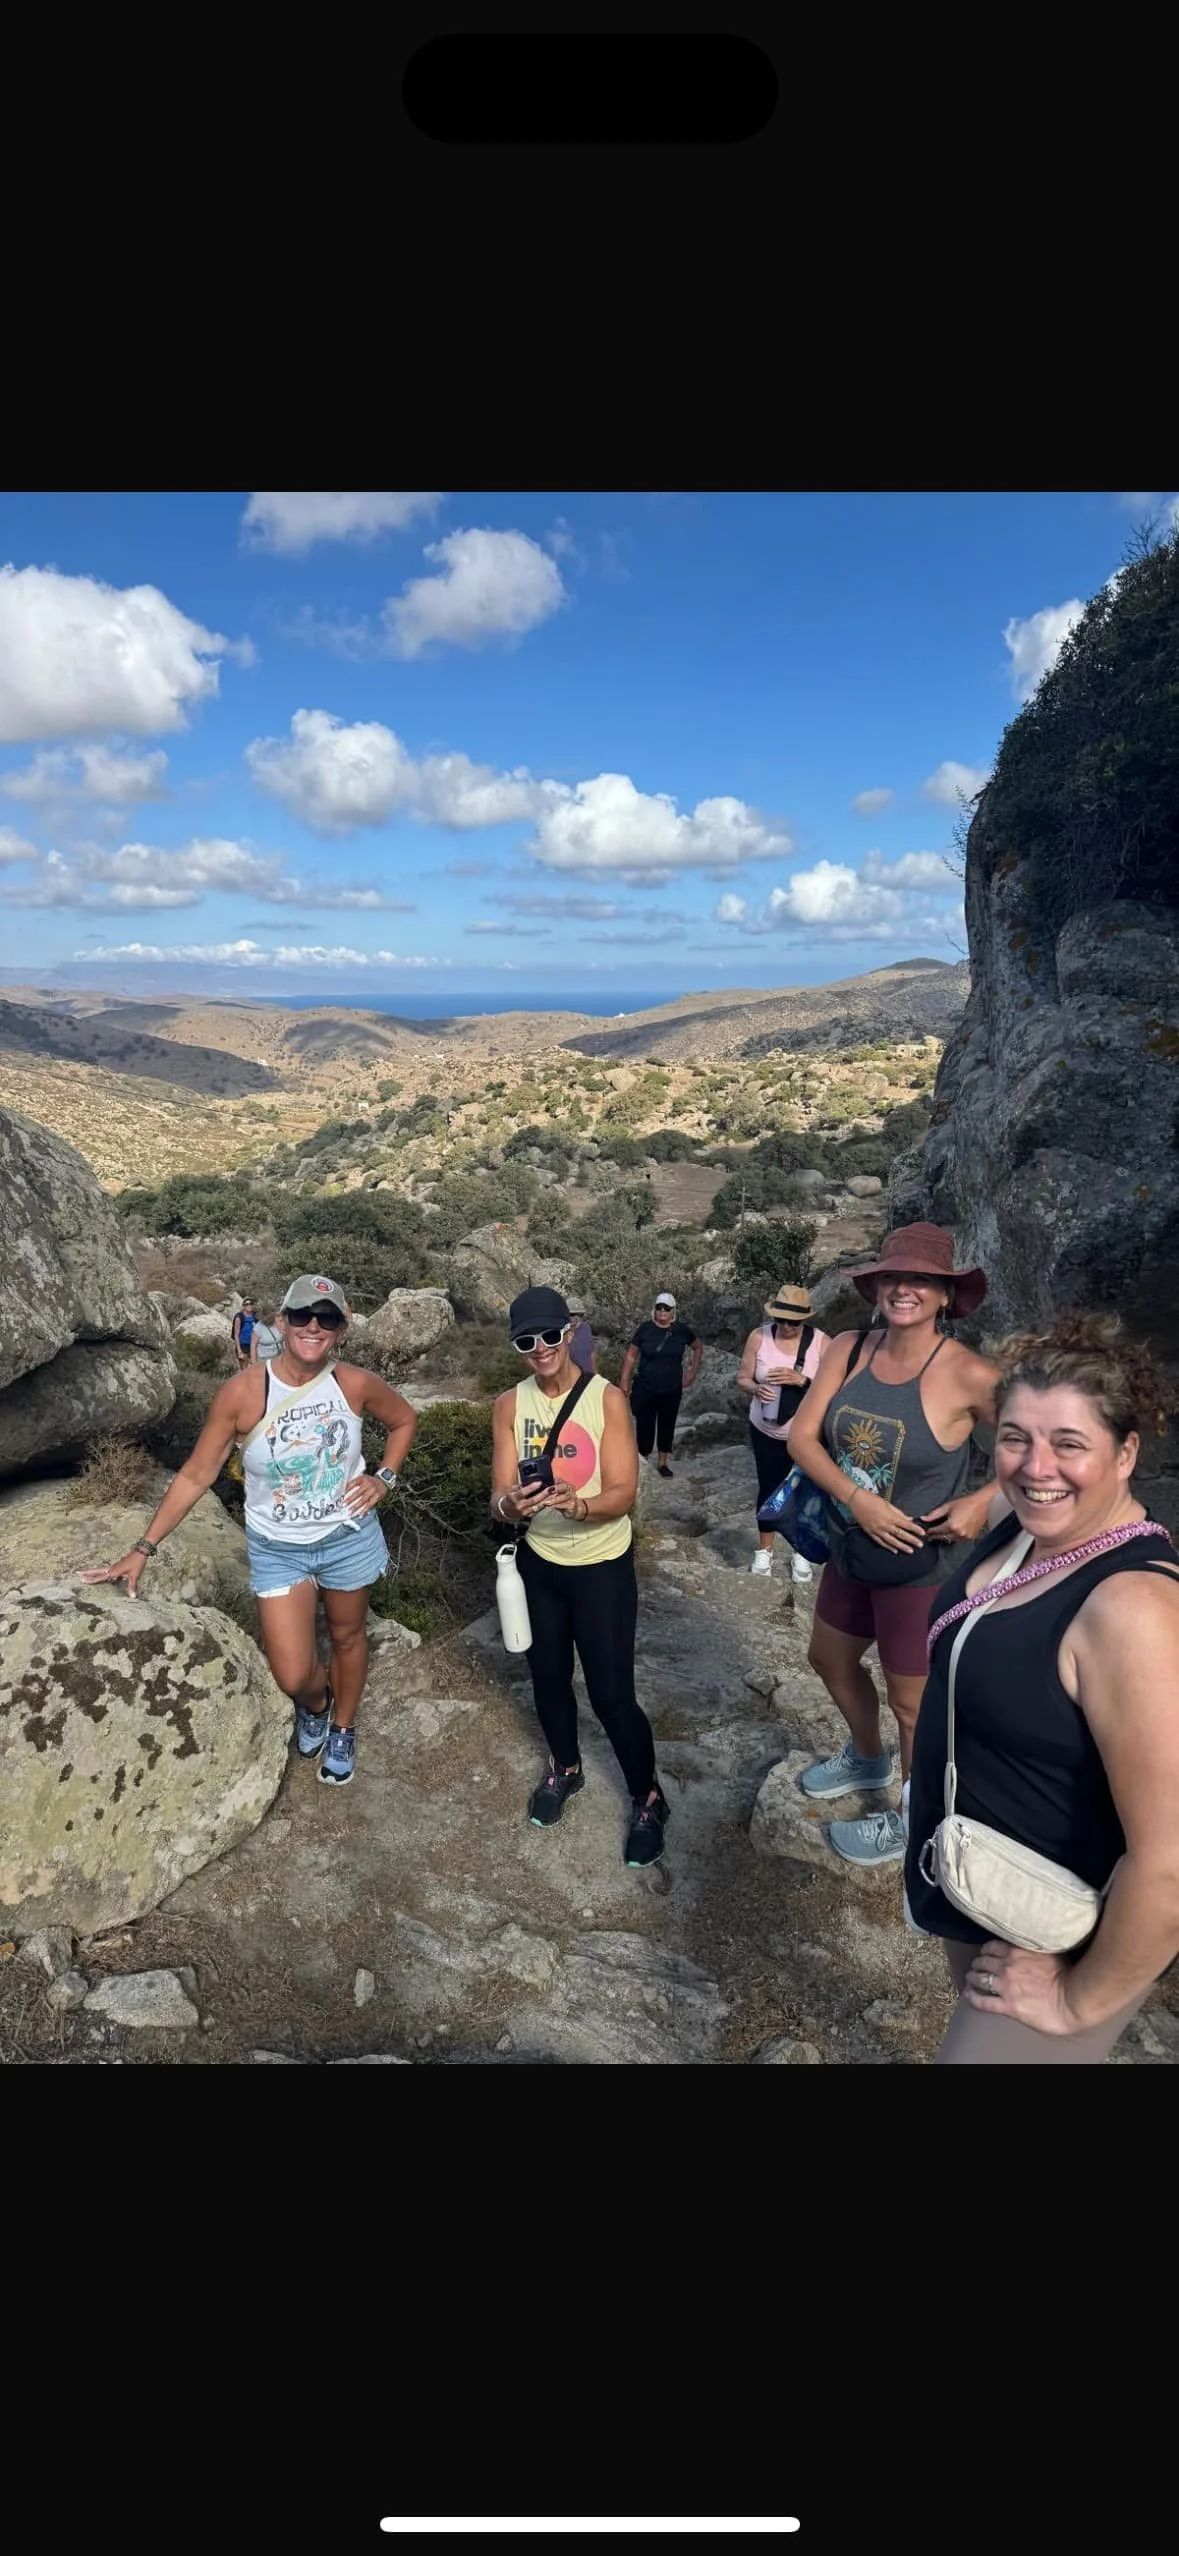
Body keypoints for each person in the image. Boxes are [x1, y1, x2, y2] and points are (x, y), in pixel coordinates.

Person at [905, 1312, 1179, 2064]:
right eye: (1015, 1437)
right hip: (985, 1883)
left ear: (1125, 1453)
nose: (1034, 1466)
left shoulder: (1131, 1611)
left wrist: (1073, 2001)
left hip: (1053, 1929)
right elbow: (998, 1498)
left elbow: (1170, 1860)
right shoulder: (1029, 1522)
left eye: (1069, 1444)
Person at [82, 1273, 416, 1790]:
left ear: (341, 1329)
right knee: (292, 1672)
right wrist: (143, 1547)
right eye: (301, 1315)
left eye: (326, 1318)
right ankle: (318, 1703)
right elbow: (197, 1472)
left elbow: (403, 1420)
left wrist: (384, 1478)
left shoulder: (354, 1383)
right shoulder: (242, 1393)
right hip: (279, 1549)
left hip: (347, 1537)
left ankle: (343, 1727)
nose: (313, 1326)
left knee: (348, 1636)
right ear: (281, 1322)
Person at [785, 1224, 1000, 1868]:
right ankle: (867, 1760)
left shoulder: (968, 1374)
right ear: (877, 1287)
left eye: (922, 1280)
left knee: (913, 1705)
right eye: (894, 1277)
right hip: (853, 1547)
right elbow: (801, 1438)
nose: (905, 1289)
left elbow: (1039, 1451)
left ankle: (915, 1819)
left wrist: (981, 1502)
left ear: (944, 1296)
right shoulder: (849, 1349)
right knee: (829, 1658)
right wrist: (860, 1502)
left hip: (921, 1568)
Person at [490, 1284, 670, 1868]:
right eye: (526, 1340)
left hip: (601, 1567)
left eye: (549, 1335)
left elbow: (622, 1492)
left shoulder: (606, 1400)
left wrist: (578, 1506)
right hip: (542, 1565)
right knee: (546, 1677)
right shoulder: (508, 1406)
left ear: (570, 1331)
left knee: (612, 1694)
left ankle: (648, 1797)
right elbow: (497, 1498)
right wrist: (512, 1507)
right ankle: (564, 1768)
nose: (539, 1348)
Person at [737, 1282, 830, 1585]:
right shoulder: (759, 1337)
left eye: (795, 1321)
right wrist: (756, 1388)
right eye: (781, 1319)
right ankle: (765, 1551)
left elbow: (835, 1389)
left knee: (804, 1490)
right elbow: (743, 1378)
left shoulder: (821, 1343)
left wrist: (801, 1380)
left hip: (806, 1433)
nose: (787, 1326)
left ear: (806, 1319)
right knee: (768, 1486)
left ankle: (800, 1552)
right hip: (765, 1428)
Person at [620, 1291, 702, 1478]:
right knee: (644, 1425)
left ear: (673, 1311)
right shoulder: (645, 1329)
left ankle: (663, 1462)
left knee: (667, 1424)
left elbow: (698, 1347)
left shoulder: (681, 1331)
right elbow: (632, 1355)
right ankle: (642, 1459)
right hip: (645, 1386)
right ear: (654, 1309)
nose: (662, 1311)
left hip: (671, 1387)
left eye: (667, 1308)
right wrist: (624, 1378)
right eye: (659, 1307)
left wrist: (692, 1372)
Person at [567, 1305, 597, 1376]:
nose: (575, 1317)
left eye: (579, 1314)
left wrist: (595, 1373)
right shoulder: (562, 1332)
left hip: (587, 1375)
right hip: (571, 1377)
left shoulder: (586, 1328)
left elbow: (591, 1352)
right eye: (571, 1314)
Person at [231, 1296, 257, 1369]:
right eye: (247, 1304)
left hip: (253, 1345)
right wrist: (239, 1351)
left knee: (253, 1368)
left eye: (250, 1304)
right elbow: (236, 1334)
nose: (249, 1305)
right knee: (244, 1369)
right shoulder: (239, 1317)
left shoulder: (255, 1316)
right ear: (243, 1306)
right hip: (243, 1345)